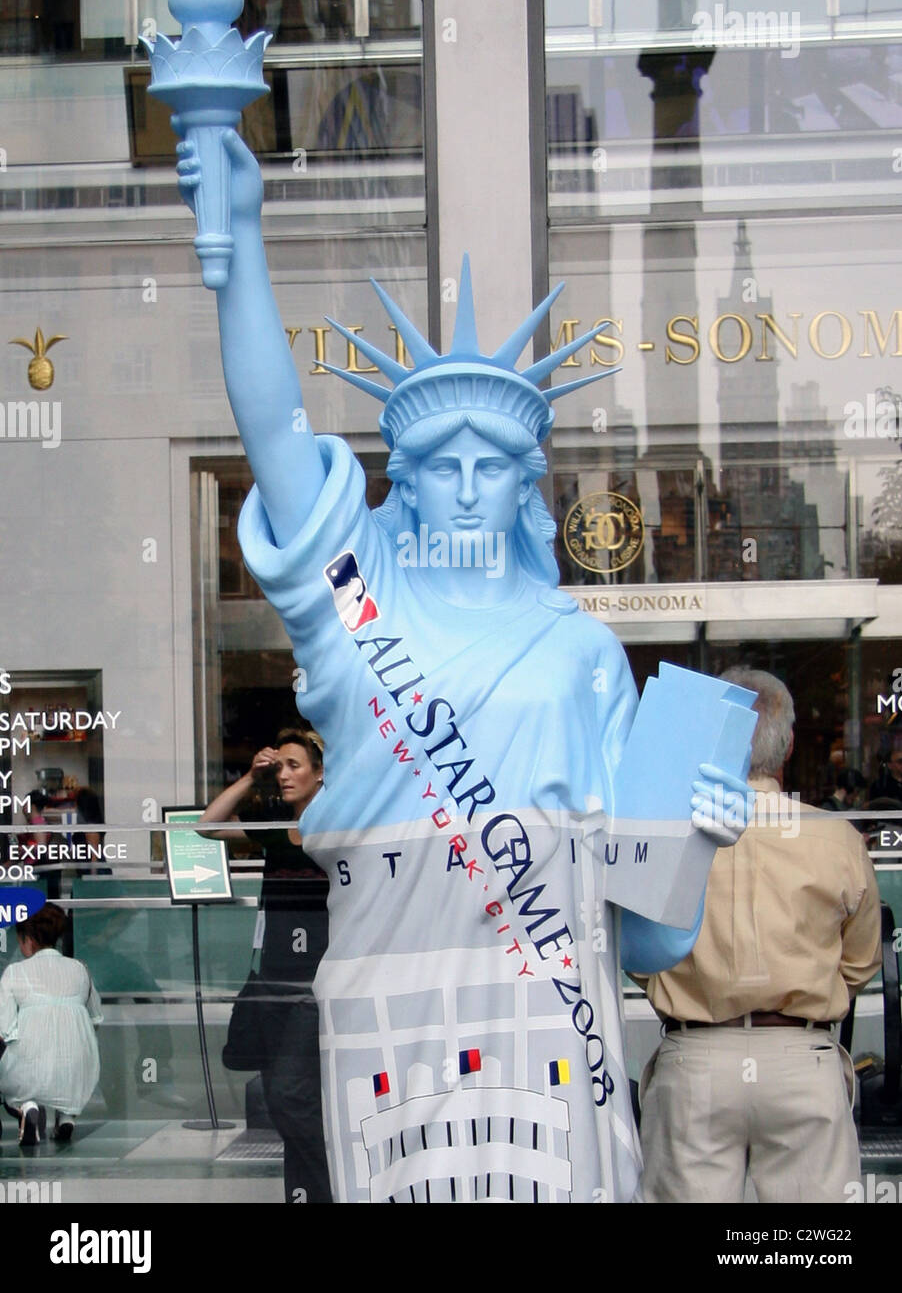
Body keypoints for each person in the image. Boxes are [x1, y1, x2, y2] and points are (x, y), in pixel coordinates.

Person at [173, 112, 750, 1203]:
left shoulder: (582, 651)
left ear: (528, 484)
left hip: (551, 1015)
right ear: (408, 481)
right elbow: (274, 433)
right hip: (395, 1005)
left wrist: (697, 834)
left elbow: (647, 940)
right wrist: (238, 240)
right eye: (445, 465)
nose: (472, 487)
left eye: (498, 466)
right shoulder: (357, 612)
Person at [635, 668, 882, 1204]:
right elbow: (861, 962)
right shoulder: (837, 838)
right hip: (802, 1058)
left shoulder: (668, 835)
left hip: (694, 1060)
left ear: (709, 735)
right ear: (789, 743)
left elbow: (640, 950)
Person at [198, 728, 330, 1203]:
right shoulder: (275, 825)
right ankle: (307, 1192)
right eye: (282, 767)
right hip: (272, 981)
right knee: (281, 1098)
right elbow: (207, 826)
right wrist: (251, 778)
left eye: (296, 766)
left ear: (320, 773)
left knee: (294, 1097)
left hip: (315, 987)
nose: (286, 775)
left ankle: (331, 1189)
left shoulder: (335, 828)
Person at [0, 903, 101, 1145]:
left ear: (29, 940)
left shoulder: (15, 972)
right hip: (79, 1067)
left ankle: (27, 1106)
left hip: (29, 1066)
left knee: (16, 1084)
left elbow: (3, 1028)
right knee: (68, 1074)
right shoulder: (80, 969)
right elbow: (96, 1017)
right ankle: (66, 1117)